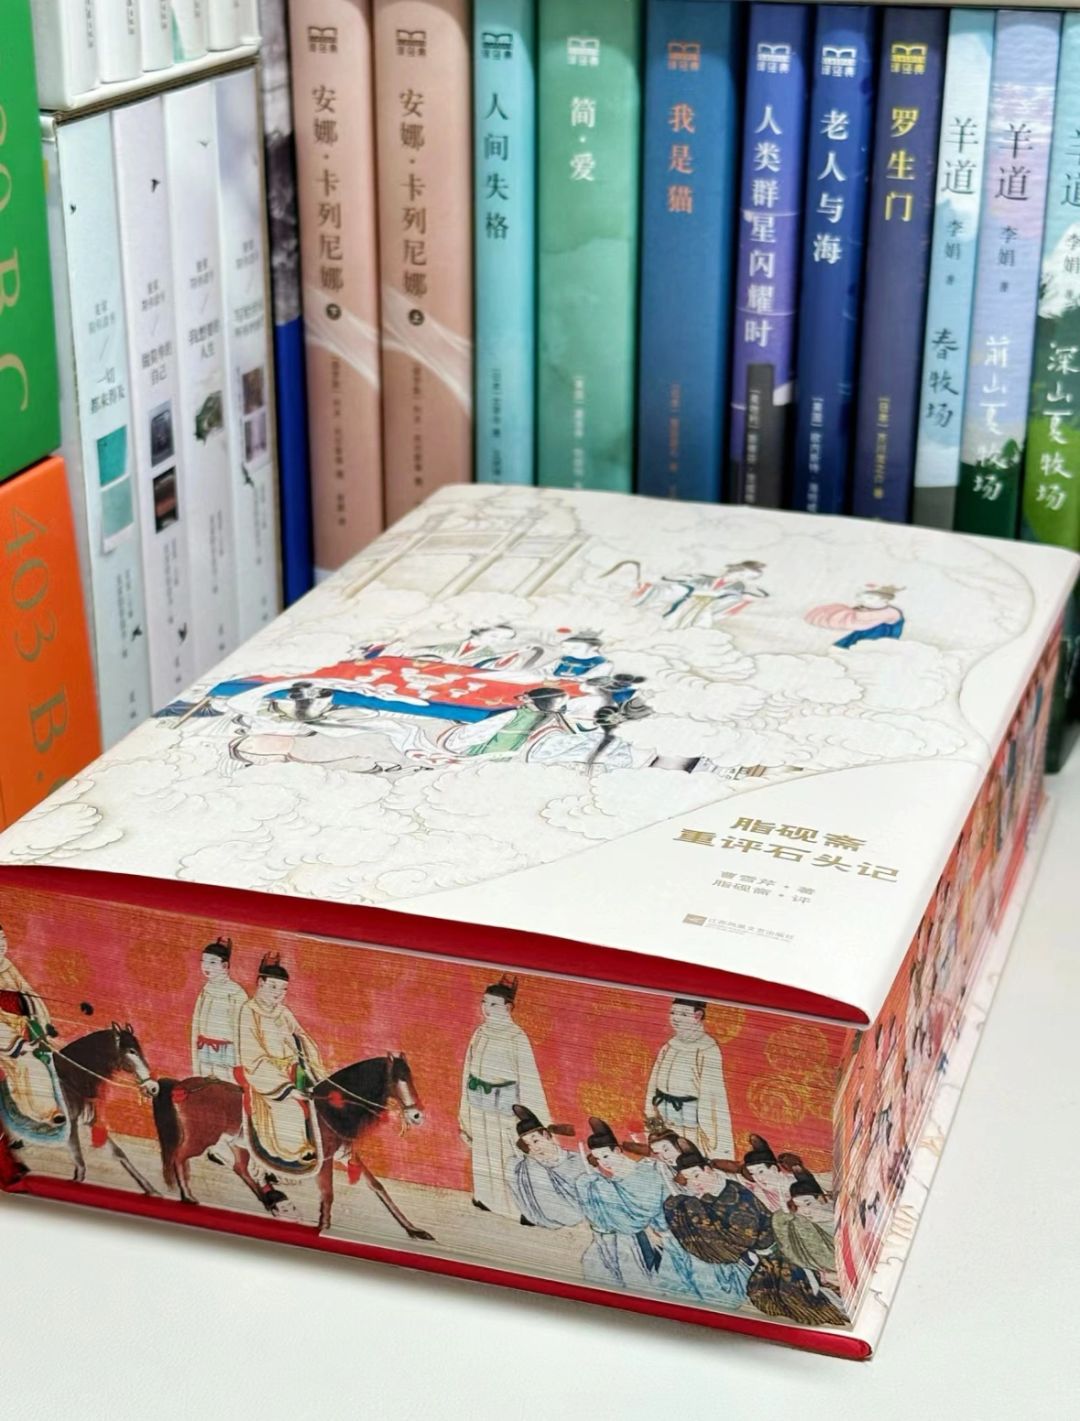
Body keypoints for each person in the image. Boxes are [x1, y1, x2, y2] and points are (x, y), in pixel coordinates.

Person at [459, 976, 550, 1218]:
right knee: (483, 1153)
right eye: (484, 1002)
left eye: (494, 1004)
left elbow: (528, 1077)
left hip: (507, 1108)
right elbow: (467, 1071)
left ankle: (515, 1207)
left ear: (508, 1007)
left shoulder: (516, 1037)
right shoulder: (480, 1033)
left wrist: (533, 1117)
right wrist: (465, 1112)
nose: (486, 1008)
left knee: (509, 1156)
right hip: (479, 1104)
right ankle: (485, 1198)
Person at [237, 954, 326, 1175]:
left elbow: (303, 1037)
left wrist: (309, 1063)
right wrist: (287, 1088)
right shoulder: (249, 1011)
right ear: (260, 983)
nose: (279, 993)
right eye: (274, 987)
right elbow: (252, 1055)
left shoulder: (283, 1012)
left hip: (295, 1070)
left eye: (283, 989)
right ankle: (295, 1152)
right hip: (267, 1076)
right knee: (290, 1107)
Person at [661, 1145, 773, 1306]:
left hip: (757, 1255)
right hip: (731, 1255)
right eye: (689, 1179)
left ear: (708, 1170)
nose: (694, 1183)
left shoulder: (734, 1193)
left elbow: (743, 1237)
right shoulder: (704, 1196)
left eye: (697, 1175)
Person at [574, 1117, 672, 1291]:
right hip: (616, 1240)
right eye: (598, 1158)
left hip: (646, 1239)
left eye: (606, 1155)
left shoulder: (647, 1173)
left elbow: (655, 1211)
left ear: (618, 1150)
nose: (604, 1162)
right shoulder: (606, 1184)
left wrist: (661, 1234)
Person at [644, 999, 734, 1159]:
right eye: (673, 1013)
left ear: (698, 1016)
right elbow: (653, 1083)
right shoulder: (669, 1046)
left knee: (688, 1155)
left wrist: (709, 1132)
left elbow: (711, 1095)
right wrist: (651, 1113)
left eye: (684, 1014)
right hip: (663, 1115)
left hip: (690, 1117)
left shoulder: (707, 1049)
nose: (676, 1018)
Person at [0, 923, 66, 1137]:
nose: (1, 946)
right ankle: (45, 1112)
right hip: (4, 1037)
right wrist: (18, 1044)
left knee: (45, 1060)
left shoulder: (7, 966)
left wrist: (41, 1024)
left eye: (3, 940)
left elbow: (30, 996)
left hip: (20, 1028)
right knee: (30, 1063)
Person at [507, 1104, 585, 1229]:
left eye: (535, 1141)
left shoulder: (575, 1160)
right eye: (528, 1145)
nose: (534, 1148)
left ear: (546, 1135)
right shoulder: (530, 1168)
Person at [770, 1165, 839, 1288]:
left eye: (808, 1203)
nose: (805, 1211)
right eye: (799, 1206)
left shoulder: (843, 1211)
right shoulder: (804, 1228)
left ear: (821, 1198)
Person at [190, 937, 248, 1081]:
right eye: (203, 961)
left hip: (227, 1051)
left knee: (226, 1086)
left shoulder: (236, 993)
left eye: (212, 962)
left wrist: (239, 1061)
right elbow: (196, 1025)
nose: (206, 967)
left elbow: (241, 1030)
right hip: (204, 1048)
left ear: (225, 965)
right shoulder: (205, 991)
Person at [805, 584, 905, 648]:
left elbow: (857, 620)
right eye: (861, 598)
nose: (863, 601)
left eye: (869, 598)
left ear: (885, 600)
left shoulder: (890, 612)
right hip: (859, 640)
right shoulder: (863, 609)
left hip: (878, 645)